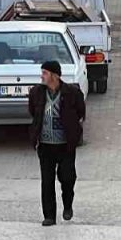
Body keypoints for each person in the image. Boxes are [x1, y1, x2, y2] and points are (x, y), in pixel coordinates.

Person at [28, 61, 86, 226]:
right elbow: (33, 111)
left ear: (54, 75)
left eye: (45, 73)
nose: (42, 76)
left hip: (65, 144)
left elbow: (80, 112)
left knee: (67, 177)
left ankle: (68, 205)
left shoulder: (72, 93)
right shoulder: (36, 93)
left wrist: (73, 131)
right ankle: (49, 216)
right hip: (45, 145)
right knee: (47, 181)